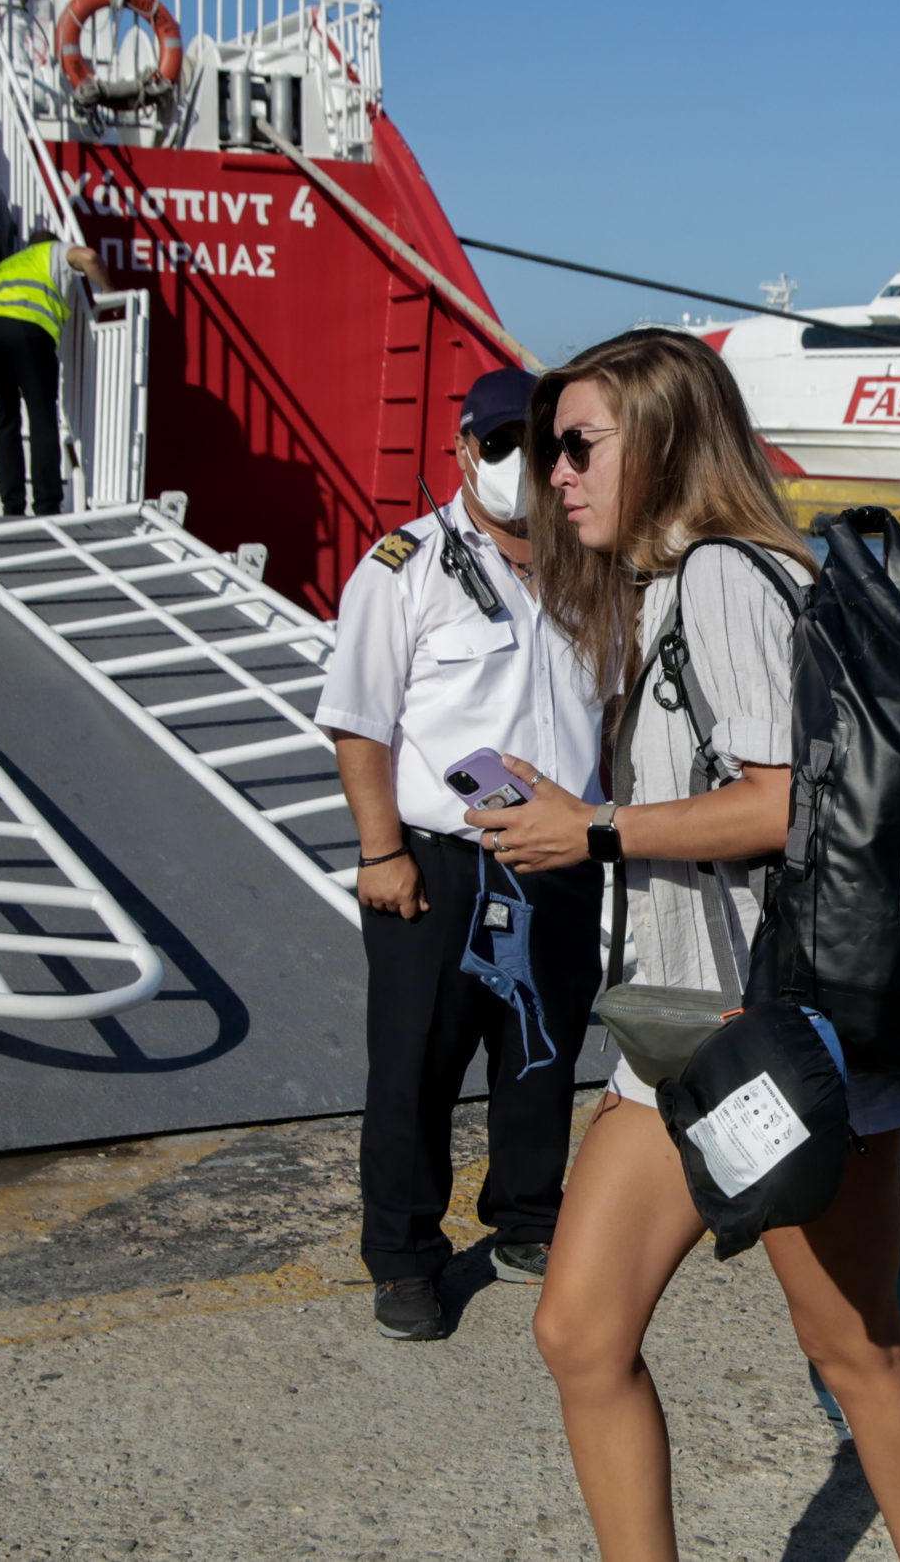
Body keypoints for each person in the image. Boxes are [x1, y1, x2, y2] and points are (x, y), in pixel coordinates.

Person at [466, 329, 900, 1562]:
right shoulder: (668, 590)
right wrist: (582, 811)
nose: (554, 474)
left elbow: (781, 804)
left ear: (667, 441)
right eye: (545, 450)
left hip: (786, 1043)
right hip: (685, 1033)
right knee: (582, 1333)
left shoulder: (731, 577)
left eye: (578, 446)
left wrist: (592, 832)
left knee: (856, 1350)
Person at [312, 366, 606, 1344]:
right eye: (499, 444)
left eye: (544, 444)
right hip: (437, 863)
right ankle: (403, 1259)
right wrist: (379, 851)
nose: (523, 464)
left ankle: (527, 1222)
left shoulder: (592, 568)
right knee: (414, 1069)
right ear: (461, 452)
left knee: (539, 1055)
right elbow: (360, 723)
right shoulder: (403, 569)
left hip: (560, 854)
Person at [0, 224, 108, 516]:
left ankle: (12, 504)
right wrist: (108, 291)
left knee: (6, 417)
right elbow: (89, 256)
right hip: (26, 328)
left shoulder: (9, 263)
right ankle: (47, 503)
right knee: (42, 415)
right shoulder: (52, 251)